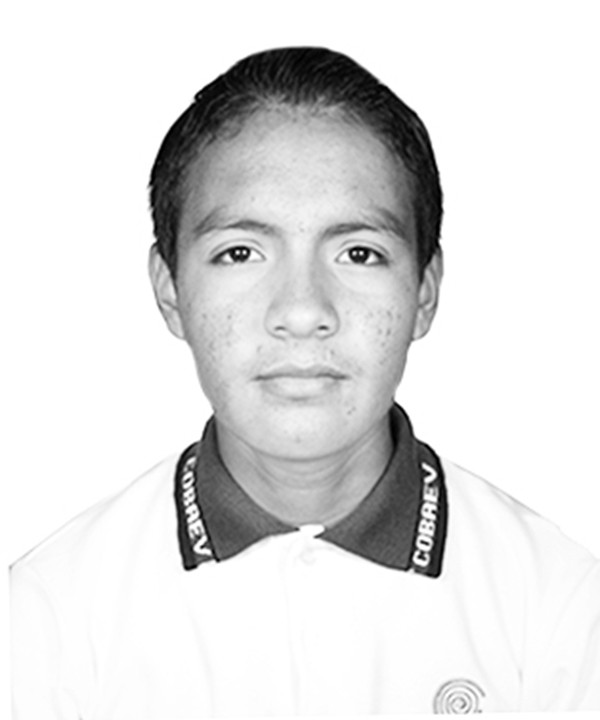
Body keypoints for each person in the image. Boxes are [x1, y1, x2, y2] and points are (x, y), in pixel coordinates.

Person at [10, 46, 600, 718]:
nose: (301, 310)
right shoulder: (48, 618)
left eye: (359, 253)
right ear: (170, 290)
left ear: (425, 291)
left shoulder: (560, 608)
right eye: (240, 252)